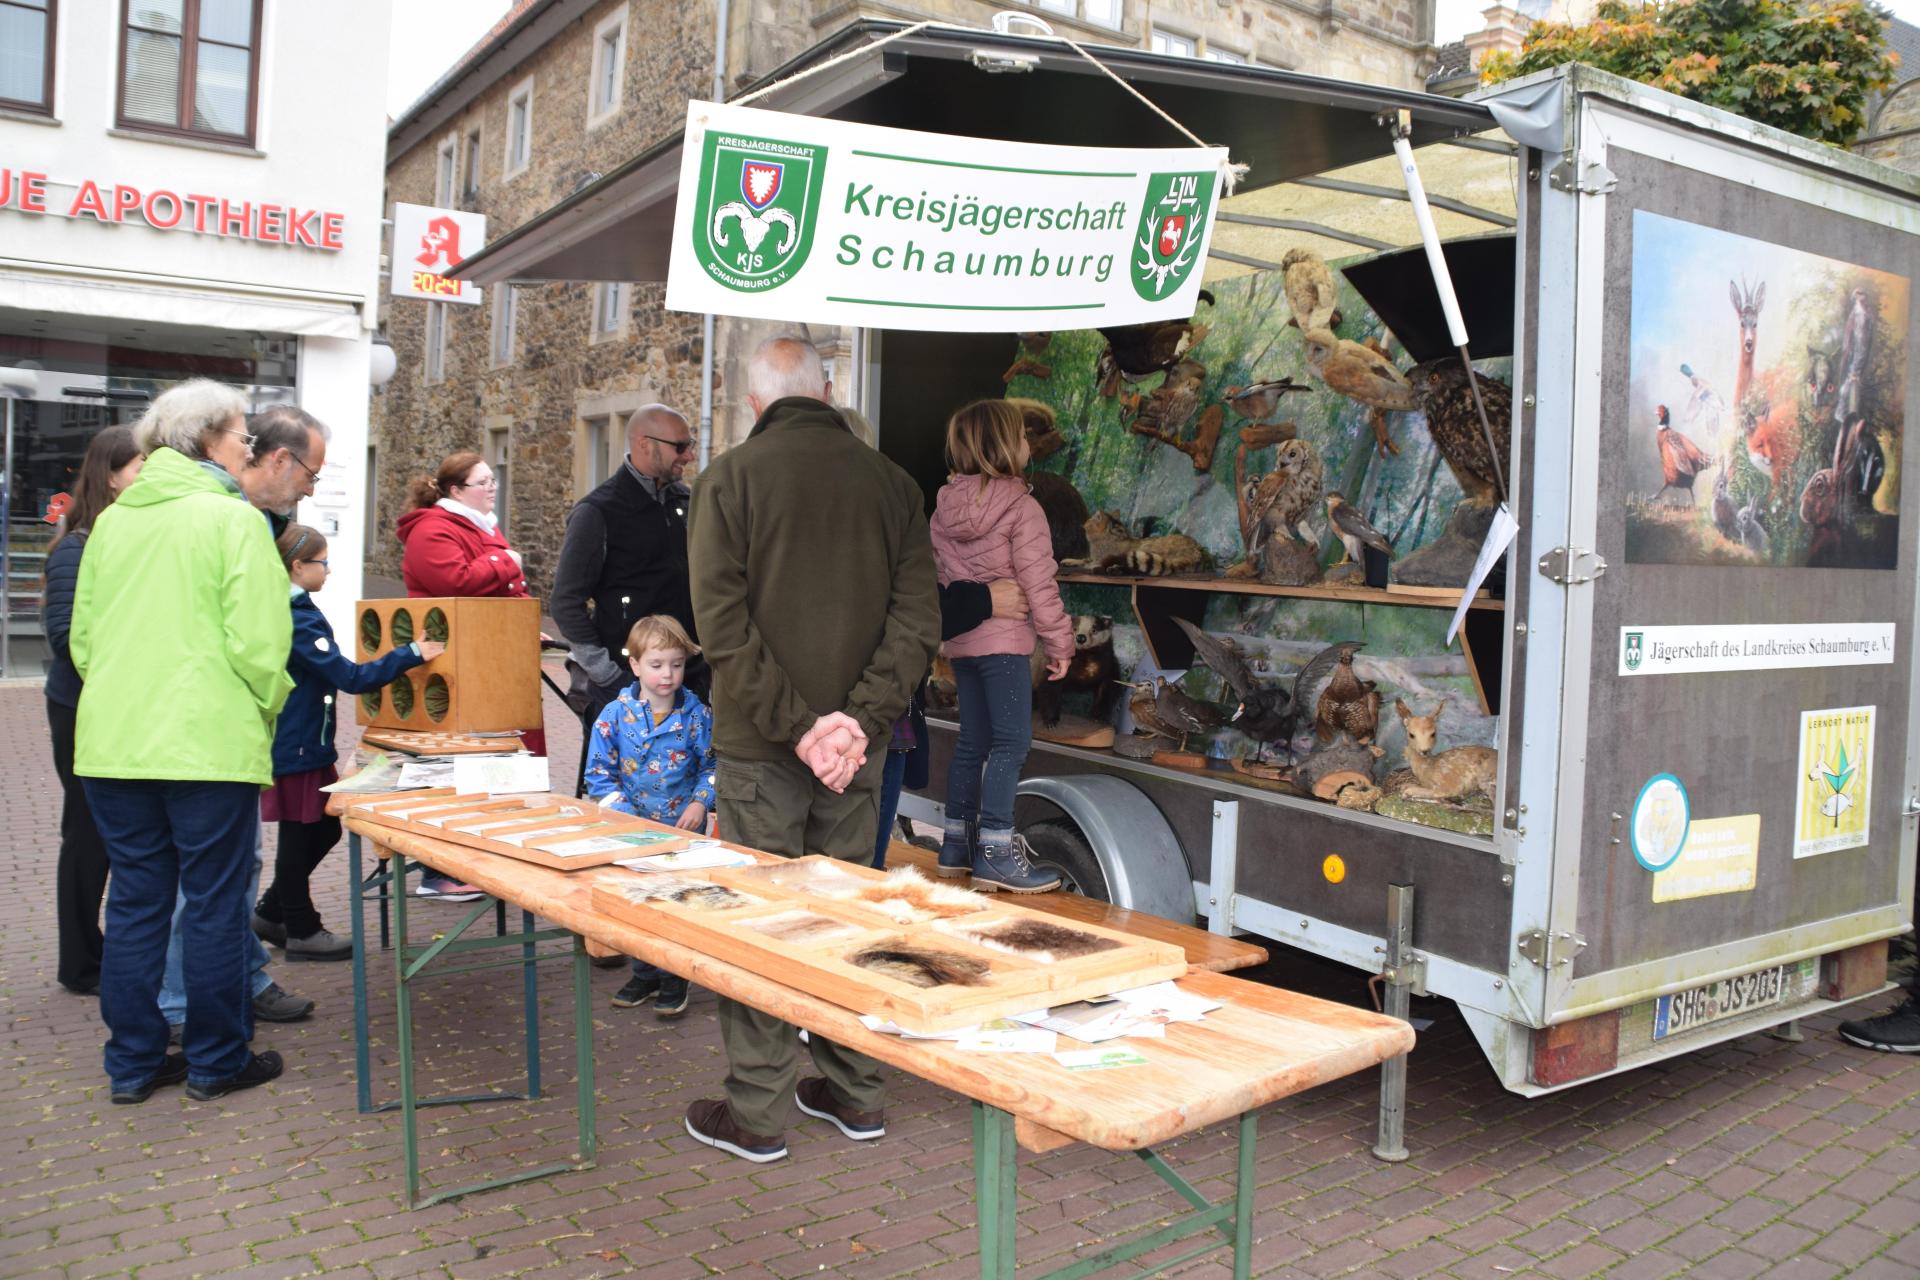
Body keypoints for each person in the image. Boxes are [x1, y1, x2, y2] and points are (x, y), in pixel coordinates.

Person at [684, 335, 940, 1163]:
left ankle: (757, 1112)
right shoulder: (892, 482)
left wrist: (801, 727)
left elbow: (721, 629)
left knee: (763, 927)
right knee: (847, 921)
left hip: (765, 749)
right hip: (854, 754)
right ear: (826, 390)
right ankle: (853, 1089)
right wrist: (854, 724)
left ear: (756, 402)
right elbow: (917, 624)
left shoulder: (729, 478)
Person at [71, 378, 293, 1104]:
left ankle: (132, 1063)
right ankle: (216, 1059)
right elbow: (262, 647)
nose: (246, 450)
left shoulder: (113, 524)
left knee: (136, 902)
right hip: (205, 746)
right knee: (212, 903)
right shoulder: (232, 522)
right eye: (240, 437)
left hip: (114, 743)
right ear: (206, 440)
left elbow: (83, 643)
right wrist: (261, 716)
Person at [156, 406, 328, 1038]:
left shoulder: (252, 520)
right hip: (206, 729)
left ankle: (243, 975)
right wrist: (266, 703)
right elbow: (257, 642)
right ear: (277, 459)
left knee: (230, 873)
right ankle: (181, 1011)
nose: (313, 487)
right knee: (195, 884)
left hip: (213, 729)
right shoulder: (228, 521)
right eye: (311, 471)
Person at [253, 524, 443, 961]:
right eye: (322, 562)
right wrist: (410, 653)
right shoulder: (296, 619)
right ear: (297, 566)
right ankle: (301, 929)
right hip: (298, 746)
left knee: (321, 828)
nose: (329, 570)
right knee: (301, 835)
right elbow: (349, 678)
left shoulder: (291, 609)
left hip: (305, 743)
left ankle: (271, 913)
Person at [929, 400, 1070, 893]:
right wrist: (1060, 642)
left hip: (963, 646)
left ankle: (955, 845)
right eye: (1024, 437)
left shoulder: (943, 508)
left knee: (972, 742)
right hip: (1006, 647)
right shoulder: (1022, 507)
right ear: (1006, 447)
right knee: (1012, 743)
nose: (1030, 446)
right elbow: (1039, 582)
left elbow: (943, 582)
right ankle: (995, 850)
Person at [396, 449, 541, 901]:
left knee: (499, 760)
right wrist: (507, 562)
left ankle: (489, 853)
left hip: (493, 659)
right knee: (462, 764)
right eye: (482, 481)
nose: (492, 487)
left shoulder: (479, 525)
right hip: (457, 666)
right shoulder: (432, 530)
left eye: (493, 479)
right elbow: (455, 582)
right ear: (456, 490)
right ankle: (438, 871)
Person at [551, 404, 702, 801]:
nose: (689, 455)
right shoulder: (597, 512)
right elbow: (566, 603)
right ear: (644, 443)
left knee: (684, 796)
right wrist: (611, 677)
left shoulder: (687, 503)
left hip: (690, 684)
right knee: (618, 803)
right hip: (623, 687)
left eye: (691, 445)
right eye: (681, 446)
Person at [42, 426, 143, 996]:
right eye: (138, 470)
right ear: (110, 475)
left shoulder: (119, 540)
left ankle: (91, 950)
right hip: (80, 710)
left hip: (109, 706)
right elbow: (64, 637)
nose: (146, 479)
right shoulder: (77, 547)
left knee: (100, 834)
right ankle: (79, 961)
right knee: (86, 834)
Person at [583, 615, 716, 1017]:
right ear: (636, 665)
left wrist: (700, 802)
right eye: (657, 665)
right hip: (632, 835)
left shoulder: (697, 717)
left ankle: (674, 976)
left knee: (676, 903)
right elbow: (598, 777)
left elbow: (713, 765)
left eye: (676, 664)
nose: (668, 674)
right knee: (638, 904)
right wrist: (627, 820)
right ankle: (644, 972)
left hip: (682, 832)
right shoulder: (612, 717)